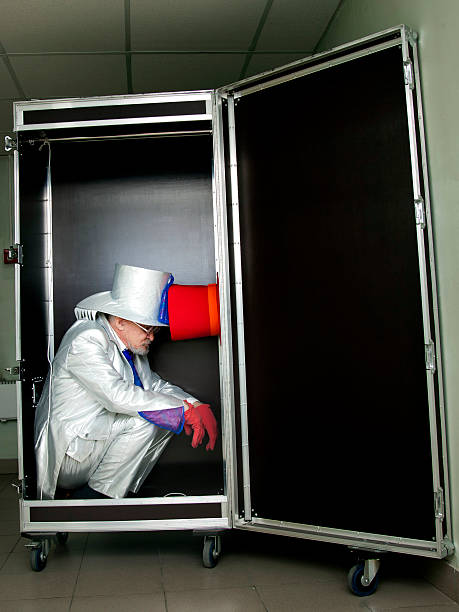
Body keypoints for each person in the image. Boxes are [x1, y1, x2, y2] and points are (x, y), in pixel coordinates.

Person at [34, 264, 217, 500]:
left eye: (155, 330)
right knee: (152, 417)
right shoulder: (87, 338)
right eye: (147, 328)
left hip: (93, 446)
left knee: (161, 412)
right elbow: (117, 396)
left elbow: (155, 387)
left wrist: (194, 405)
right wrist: (182, 411)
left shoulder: (130, 346)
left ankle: (106, 492)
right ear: (120, 321)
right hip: (71, 457)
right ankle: (93, 499)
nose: (151, 337)